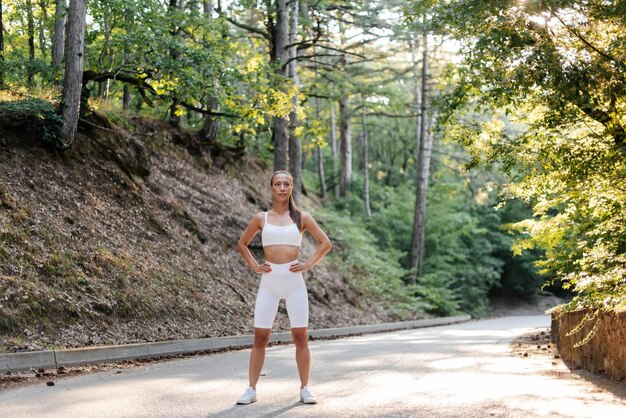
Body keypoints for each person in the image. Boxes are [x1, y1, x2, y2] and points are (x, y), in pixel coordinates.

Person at [235, 170, 332, 405]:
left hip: (294, 284)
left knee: (300, 337)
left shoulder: (302, 218)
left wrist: (308, 264)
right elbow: (242, 244)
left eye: (286, 184)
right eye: (277, 184)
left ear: (291, 188)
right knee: (260, 337)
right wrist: (255, 266)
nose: (282, 188)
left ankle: (305, 388)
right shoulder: (261, 218)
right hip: (269, 283)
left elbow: (325, 243)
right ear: (271, 188)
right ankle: (251, 389)